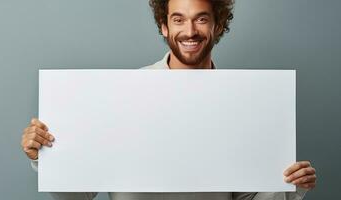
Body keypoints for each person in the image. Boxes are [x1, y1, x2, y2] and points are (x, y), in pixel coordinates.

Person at [21, 0, 317, 199]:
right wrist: (43, 157)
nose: (190, 31)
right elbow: (78, 195)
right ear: (164, 26)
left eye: (201, 19)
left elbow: (247, 197)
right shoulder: (121, 94)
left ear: (217, 25)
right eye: (178, 20)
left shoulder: (242, 101)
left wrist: (290, 187)